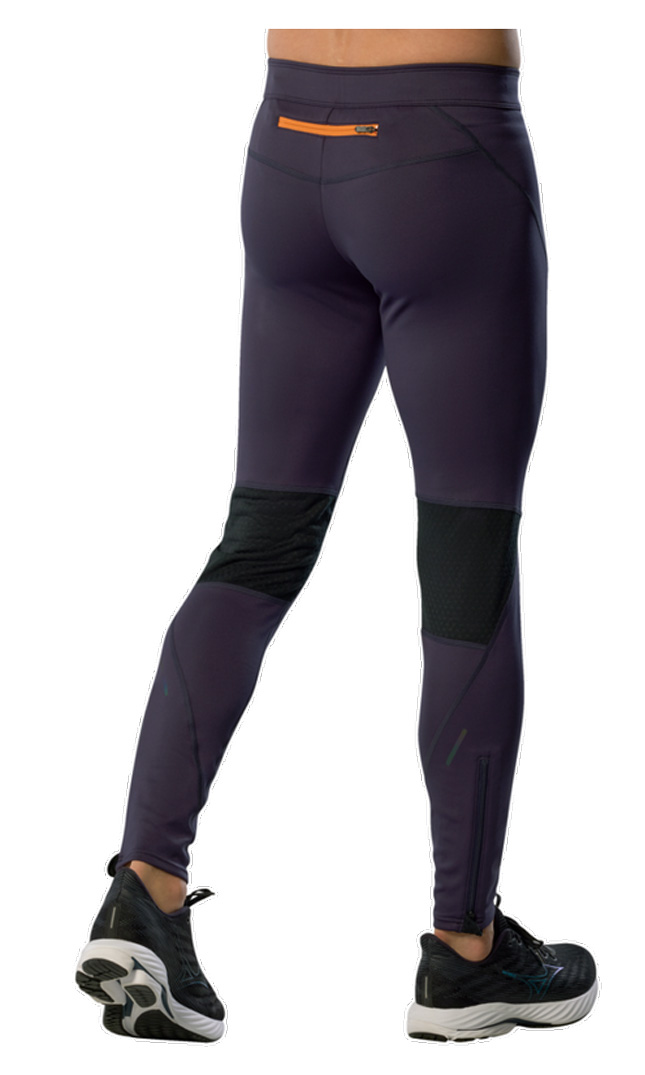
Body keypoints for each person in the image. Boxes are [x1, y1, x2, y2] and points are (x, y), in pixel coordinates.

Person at [75, 29, 598, 1043]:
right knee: (467, 555)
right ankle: (466, 953)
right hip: (445, 148)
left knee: (259, 542)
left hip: (287, 146)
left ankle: (145, 891)